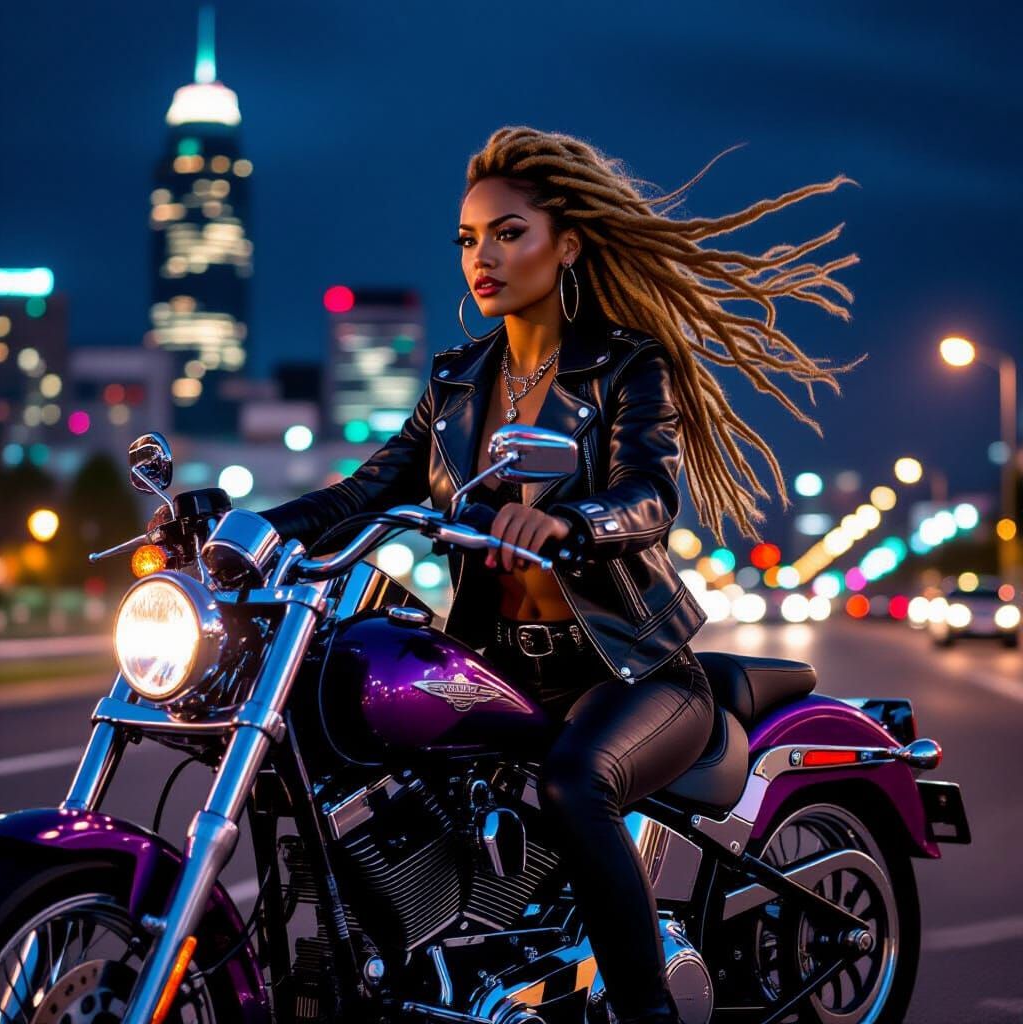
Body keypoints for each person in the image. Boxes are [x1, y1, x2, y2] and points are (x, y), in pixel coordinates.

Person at [218, 127, 863, 1024]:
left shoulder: (626, 364)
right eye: (468, 239)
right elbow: (369, 490)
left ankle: (647, 1012)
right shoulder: (456, 384)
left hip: (630, 669)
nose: (481, 256)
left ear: (567, 245)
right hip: (502, 666)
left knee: (573, 785)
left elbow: (650, 492)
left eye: (508, 232)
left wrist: (572, 522)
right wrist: (246, 528)